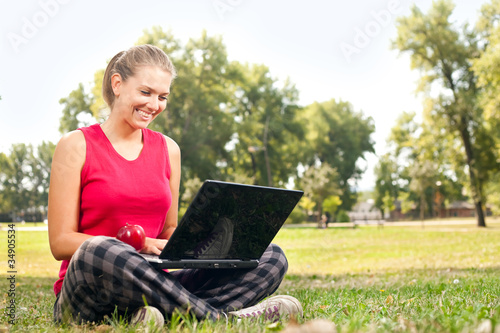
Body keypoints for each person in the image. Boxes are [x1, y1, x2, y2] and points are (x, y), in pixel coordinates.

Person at [47, 44, 302, 326]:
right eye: (145, 92)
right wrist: (139, 244)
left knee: (270, 257)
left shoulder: (169, 150)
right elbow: (60, 242)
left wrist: (207, 243)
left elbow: (168, 230)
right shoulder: (76, 145)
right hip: (92, 288)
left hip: (156, 282)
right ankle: (222, 320)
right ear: (117, 84)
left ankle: (153, 317)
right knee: (100, 249)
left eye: (163, 97)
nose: (154, 105)